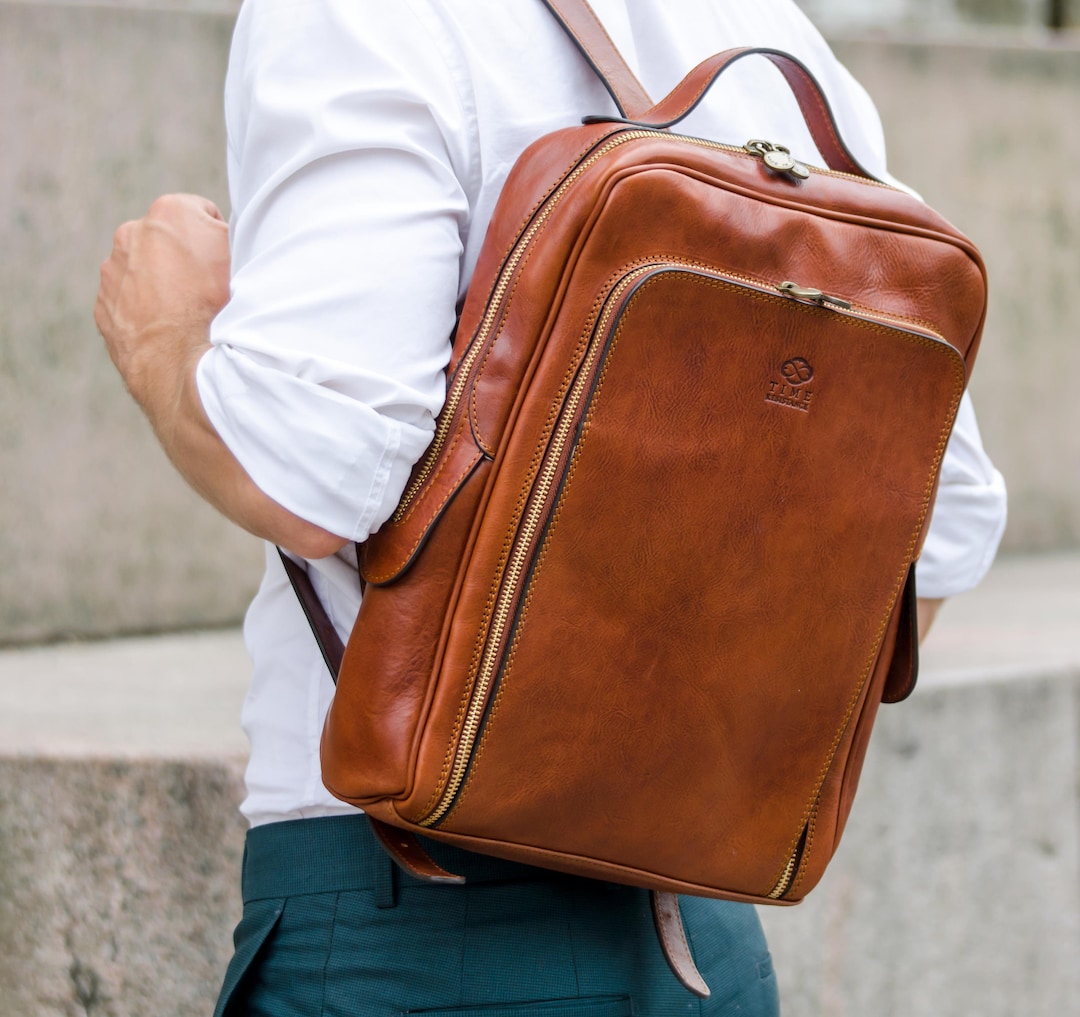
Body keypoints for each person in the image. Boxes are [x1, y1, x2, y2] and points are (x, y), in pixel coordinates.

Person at [95, 1, 1008, 1013]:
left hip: (420, 925)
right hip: (706, 941)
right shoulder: (774, 37)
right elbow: (942, 534)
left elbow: (309, 476)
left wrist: (164, 335)